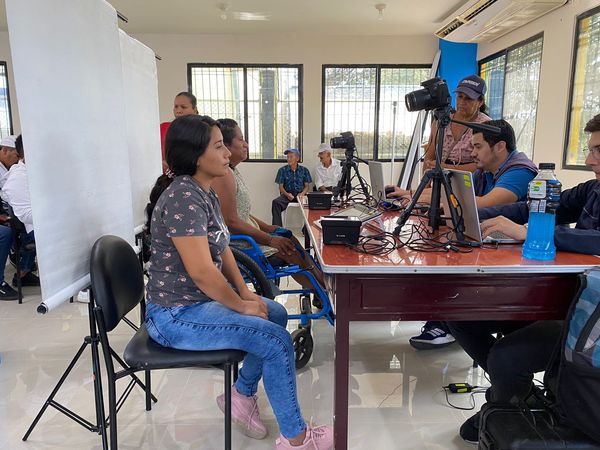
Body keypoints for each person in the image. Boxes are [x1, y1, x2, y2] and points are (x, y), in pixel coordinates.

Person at [145, 114, 333, 450]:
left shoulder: (205, 192)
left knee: (274, 313)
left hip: (197, 305)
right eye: (219, 146)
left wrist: (246, 293)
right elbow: (203, 272)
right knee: (276, 341)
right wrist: (240, 305)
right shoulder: (183, 198)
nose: (227, 153)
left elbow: (223, 248)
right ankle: (297, 439)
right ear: (196, 155)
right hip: (175, 315)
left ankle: (241, 396)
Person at [449, 113, 600, 444]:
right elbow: (533, 208)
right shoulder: (594, 189)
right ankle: (518, 397)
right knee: (459, 316)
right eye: (589, 150)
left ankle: (507, 404)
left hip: (589, 327)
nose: (590, 160)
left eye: (598, 151)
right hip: (563, 299)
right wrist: (471, 214)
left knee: (506, 356)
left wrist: (529, 233)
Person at [390, 119, 538, 349]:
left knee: (448, 259)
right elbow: (454, 197)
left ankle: (447, 323)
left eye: (477, 146)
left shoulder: (520, 171)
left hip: (516, 259)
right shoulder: (485, 171)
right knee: (439, 250)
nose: (472, 153)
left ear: (500, 146)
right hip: (490, 244)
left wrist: (439, 202)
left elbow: (484, 204)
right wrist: (410, 195)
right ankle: (442, 319)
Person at [211, 118, 326, 292]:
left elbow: (242, 212)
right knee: (290, 251)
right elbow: (231, 221)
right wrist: (270, 239)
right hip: (243, 244)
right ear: (225, 145)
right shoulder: (224, 175)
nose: (246, 144)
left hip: (249, 236)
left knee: (291, 239)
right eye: (241, 140)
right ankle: (322, 291)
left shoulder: (232, 171)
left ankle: (323, 283)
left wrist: (268, 227)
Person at [423, 75, 491, 172]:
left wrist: (445, 167)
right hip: (440, 177)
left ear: (480, 102)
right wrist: (426, 179)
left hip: (470, 179)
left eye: (469, 98)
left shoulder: (485, 125)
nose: (462, 102)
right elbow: (429, 156)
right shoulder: (442, 120)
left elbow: (484, 165)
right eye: (460, 96)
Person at [1, 135, 39, 288]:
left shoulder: (32, 172)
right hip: (32, 226)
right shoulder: (18, 177)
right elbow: (24, 215)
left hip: (37, 222)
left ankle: (23, 272)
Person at [159, 92, 199, 173]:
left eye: (183, 107)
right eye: (176, 107)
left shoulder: (201, 131)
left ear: (194, 109)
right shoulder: (163, 128)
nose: (178, 111)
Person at [272, 148, 312, 227]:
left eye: (291, 157)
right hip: (287, 195)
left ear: (297, 158)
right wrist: (287, 195)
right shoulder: (282, 170)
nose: (289, 159)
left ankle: (306, 229)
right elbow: (280, 187)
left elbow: (307, 186)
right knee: (276, 203)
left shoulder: (304, 170)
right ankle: (277, 229)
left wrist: (302, 193)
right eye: (288, 157)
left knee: (311, 204)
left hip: (301, 195)